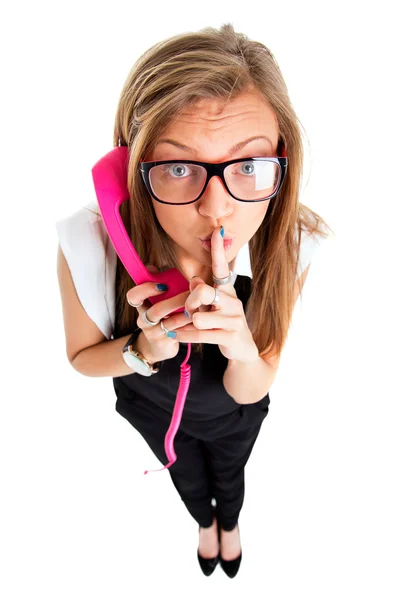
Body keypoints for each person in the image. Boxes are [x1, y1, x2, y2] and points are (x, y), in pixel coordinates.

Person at [56, 23, 332, 578]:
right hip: (155, 409)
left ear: (281, 161)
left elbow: (255, 383)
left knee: (230, 473)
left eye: (248, 167)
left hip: (236, 411)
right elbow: (83, 358)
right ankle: (203, 526)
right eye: (179, 168)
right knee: (185, 476)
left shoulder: (292, 243)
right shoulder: (88, 243)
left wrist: (240, 347)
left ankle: (228, 524)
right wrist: (141, 347)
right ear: (133, 171)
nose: (216, 209)